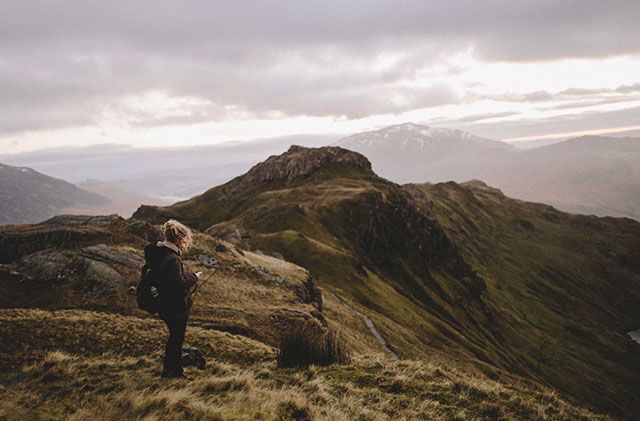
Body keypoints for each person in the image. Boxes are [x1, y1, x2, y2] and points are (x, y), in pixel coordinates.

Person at [144, 219, 199, 379]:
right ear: (178, 239)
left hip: (162, 303)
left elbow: (168, 279)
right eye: (184, 240)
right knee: (176, 340)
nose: (184, 243)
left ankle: (170, 371)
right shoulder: (172, 258)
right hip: (174, 306)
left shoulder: (157, 251)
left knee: (174, 338)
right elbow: (179, 284)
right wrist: (194, 277)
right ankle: (173, 373)